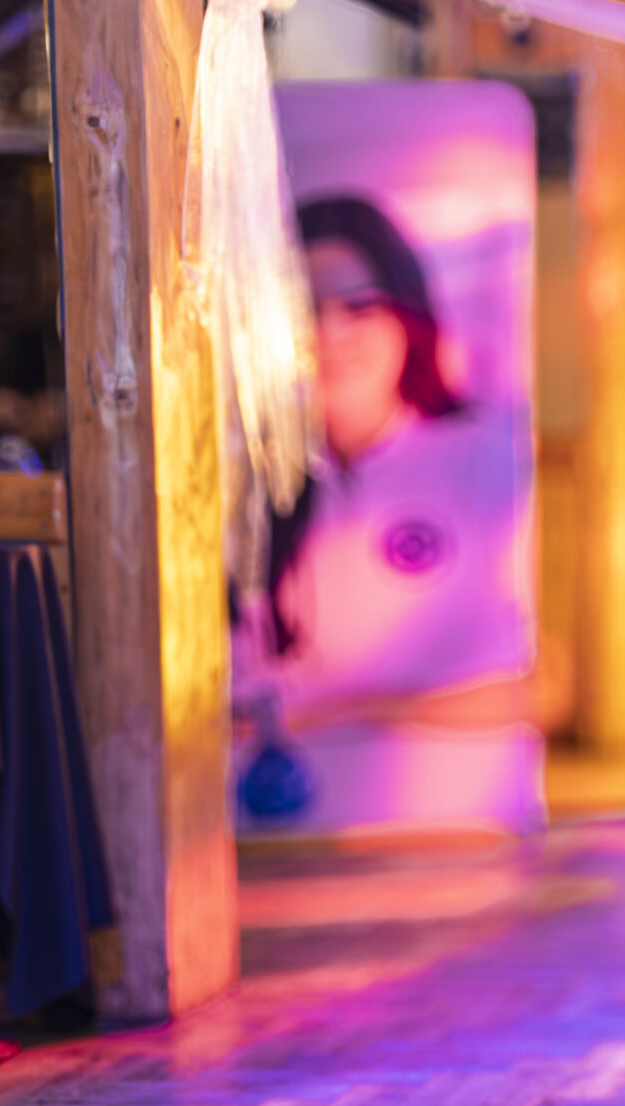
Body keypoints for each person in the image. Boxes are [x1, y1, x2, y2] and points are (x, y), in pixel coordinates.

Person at [229, 194, 538, 835]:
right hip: (273, 844)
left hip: (462, 835)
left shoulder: (486, 457)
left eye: (359, 306)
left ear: (406, 313)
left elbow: (544, 685)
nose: (330, 333)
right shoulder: (240, 480)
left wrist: (335, 713)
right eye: (305, 308)